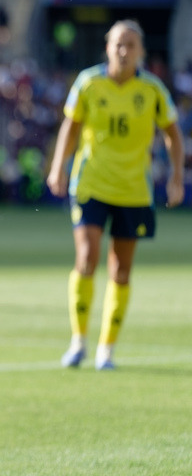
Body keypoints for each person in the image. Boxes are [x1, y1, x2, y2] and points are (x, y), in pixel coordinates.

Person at [47, 20, 185, 370]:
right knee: (87, 257)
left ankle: (106, 348)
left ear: (141, 52)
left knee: (121, 270)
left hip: (134, 190)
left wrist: (176, 176)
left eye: (131, 45)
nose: (124, 51)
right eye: (118, 44)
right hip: (91, 183)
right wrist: (58, 167)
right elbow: (71, 126)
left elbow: (173, 133)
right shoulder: (89, 82)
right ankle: (78, 341)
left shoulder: (152, 89)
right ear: (107, 48)